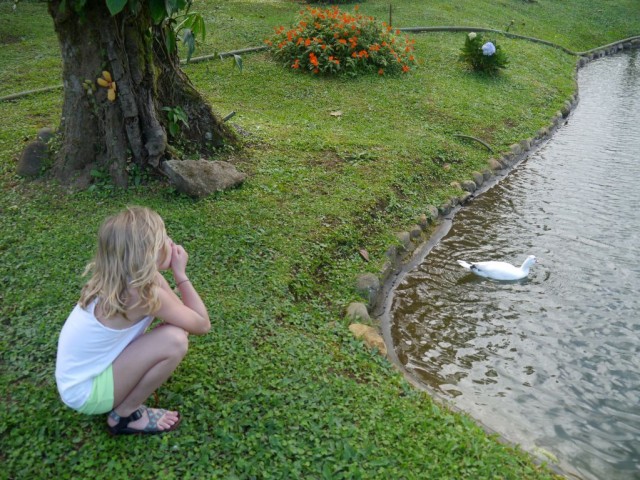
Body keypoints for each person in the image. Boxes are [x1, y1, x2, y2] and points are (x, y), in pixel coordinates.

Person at [55, 206, 211, 435]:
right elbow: (201, 324)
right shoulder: (144, 294)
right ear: (148, 254)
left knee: (177, 328)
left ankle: (123, 398)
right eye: (163, 238)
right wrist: (181, 274)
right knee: (174, 340)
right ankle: (124, 416)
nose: (170, 241)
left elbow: (181, 313)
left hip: (77, 380)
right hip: (86, 393)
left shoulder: (126, 278)